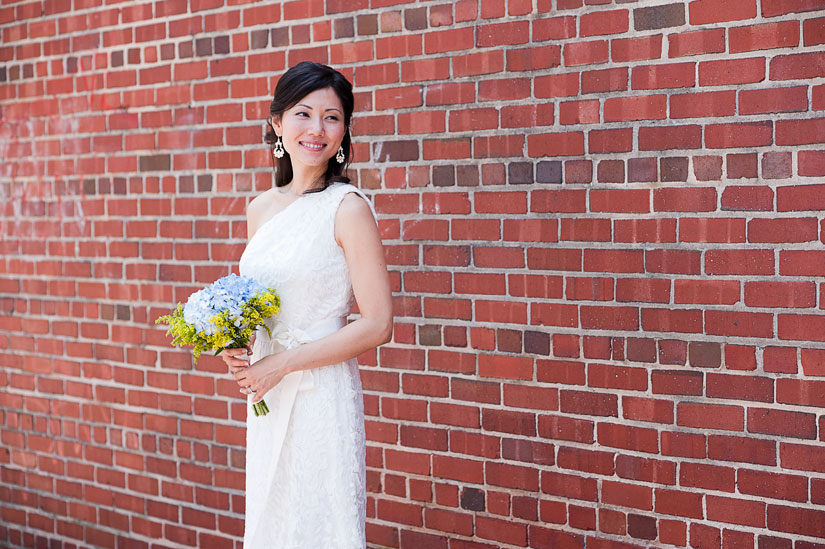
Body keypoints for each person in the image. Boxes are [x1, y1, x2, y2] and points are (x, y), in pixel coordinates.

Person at [219, 61, 393, 548]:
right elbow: (264, 305)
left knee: (321, 525)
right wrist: (238, 345)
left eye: (332, 117)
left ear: (344, 130)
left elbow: (378, 324)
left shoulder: (348, 208)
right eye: (303, 113)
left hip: (321, 394)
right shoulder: (260, 208)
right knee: (274, 523)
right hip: (269, 398)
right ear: (276, 123)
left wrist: (283, 363)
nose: (317, 129)